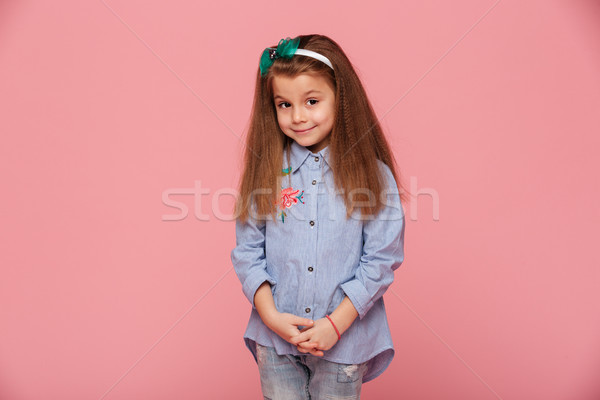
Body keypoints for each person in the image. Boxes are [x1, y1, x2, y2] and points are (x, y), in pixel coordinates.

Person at [230, 34, 407, 399]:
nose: (297, 116)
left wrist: (334, 325)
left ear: (340, 98)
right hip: (276, 343)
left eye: (312, 101)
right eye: (284, 104)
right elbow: (248, 252)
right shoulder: (266, 173)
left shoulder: (373, 176)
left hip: (343, 345)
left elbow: (381, 259)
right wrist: (271, 316)